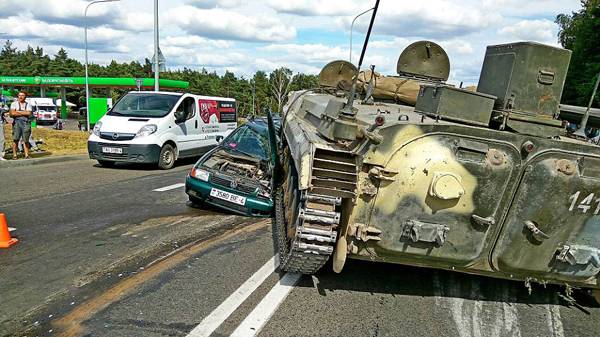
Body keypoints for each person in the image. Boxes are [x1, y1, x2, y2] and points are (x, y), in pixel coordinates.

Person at [9, 91, 33, 159]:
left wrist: (17, 111)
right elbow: (13, 113)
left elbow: (28, 113)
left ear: (25, 96)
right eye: (19, 95)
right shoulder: (14, 103)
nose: (21, 97)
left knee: (26, 140)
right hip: (17, 123)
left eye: (22, 95)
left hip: (26, 123)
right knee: (15, 139)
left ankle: (26, 155)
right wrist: (23, 112)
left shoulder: (28, 104)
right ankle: (14, 155)